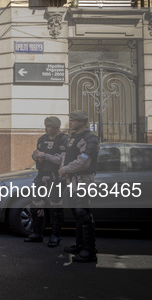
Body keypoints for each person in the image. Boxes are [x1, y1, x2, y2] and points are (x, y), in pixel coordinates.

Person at [59, 110, 99, 263]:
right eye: (71, 119)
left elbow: (84, 161)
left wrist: (66, 169)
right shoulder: (74, 137)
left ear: (82, 122)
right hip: (72, 179)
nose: (71, 122)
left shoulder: (90, 138)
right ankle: (80, 245)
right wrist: (63, 169)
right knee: (77, 214)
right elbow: (67, 156)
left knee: (83, 214)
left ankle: (89, 251)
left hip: (83, 179)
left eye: (74, 120)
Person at [24, 116, 68, 247]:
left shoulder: (64, 140)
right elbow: (35, 152)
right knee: (36, 204)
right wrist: (37, 156)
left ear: (56, 127)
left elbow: (62, 160)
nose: (46, 128)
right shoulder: (42, 139)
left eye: (48, 126)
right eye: (45, 125)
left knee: (55, 206)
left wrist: (45, 156)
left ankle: (55, 236)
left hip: (56, 177)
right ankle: (37, 234)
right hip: (41, 175)